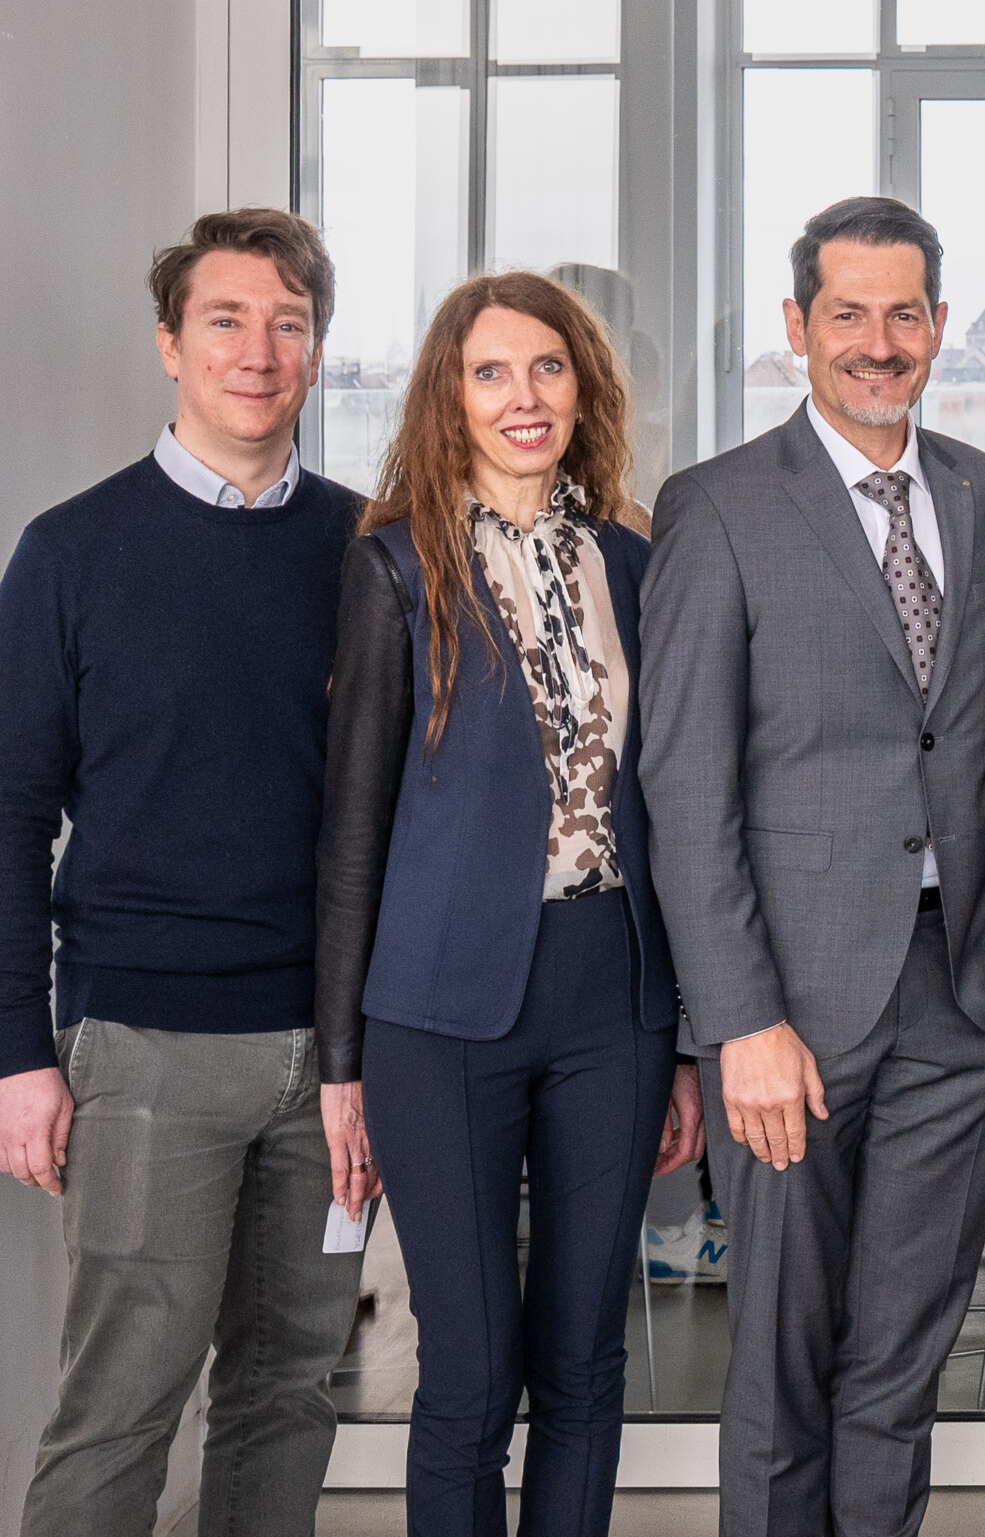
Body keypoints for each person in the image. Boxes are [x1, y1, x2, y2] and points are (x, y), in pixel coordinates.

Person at [638, 196, 985, 1537]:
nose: (878, 343)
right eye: (847, 314)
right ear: (797, 326)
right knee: (781, 1368)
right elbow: (685, 790)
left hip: (968, 995)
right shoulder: (716, 508)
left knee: (897, 1366)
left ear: (936, 325)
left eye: (904, 314)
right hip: (794, 1012)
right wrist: (738, 1022)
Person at [312, 273, 705, 1536]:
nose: (522, 396)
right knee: (473, 1374)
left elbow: (676, 813)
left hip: (614, 1002)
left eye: (547, 367)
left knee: (585, 1361)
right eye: (490, 372)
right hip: (438, 1015)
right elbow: (353, 827)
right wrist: (340, 1064)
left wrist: (685, 1043)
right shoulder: (393, 568)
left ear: (582, 388)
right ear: (451, 397)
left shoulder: (636, 564)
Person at [0, 209, 368, 1537]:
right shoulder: (71, 554)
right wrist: (18, 1052)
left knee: (290, 1392)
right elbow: (10, 813)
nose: (257, 352)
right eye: (225, 320)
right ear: (169, 344)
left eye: (287, 324)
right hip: (147, 1050)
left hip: (334, 1063)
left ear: (316, 351)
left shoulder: (369, 553)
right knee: (120, 1408)